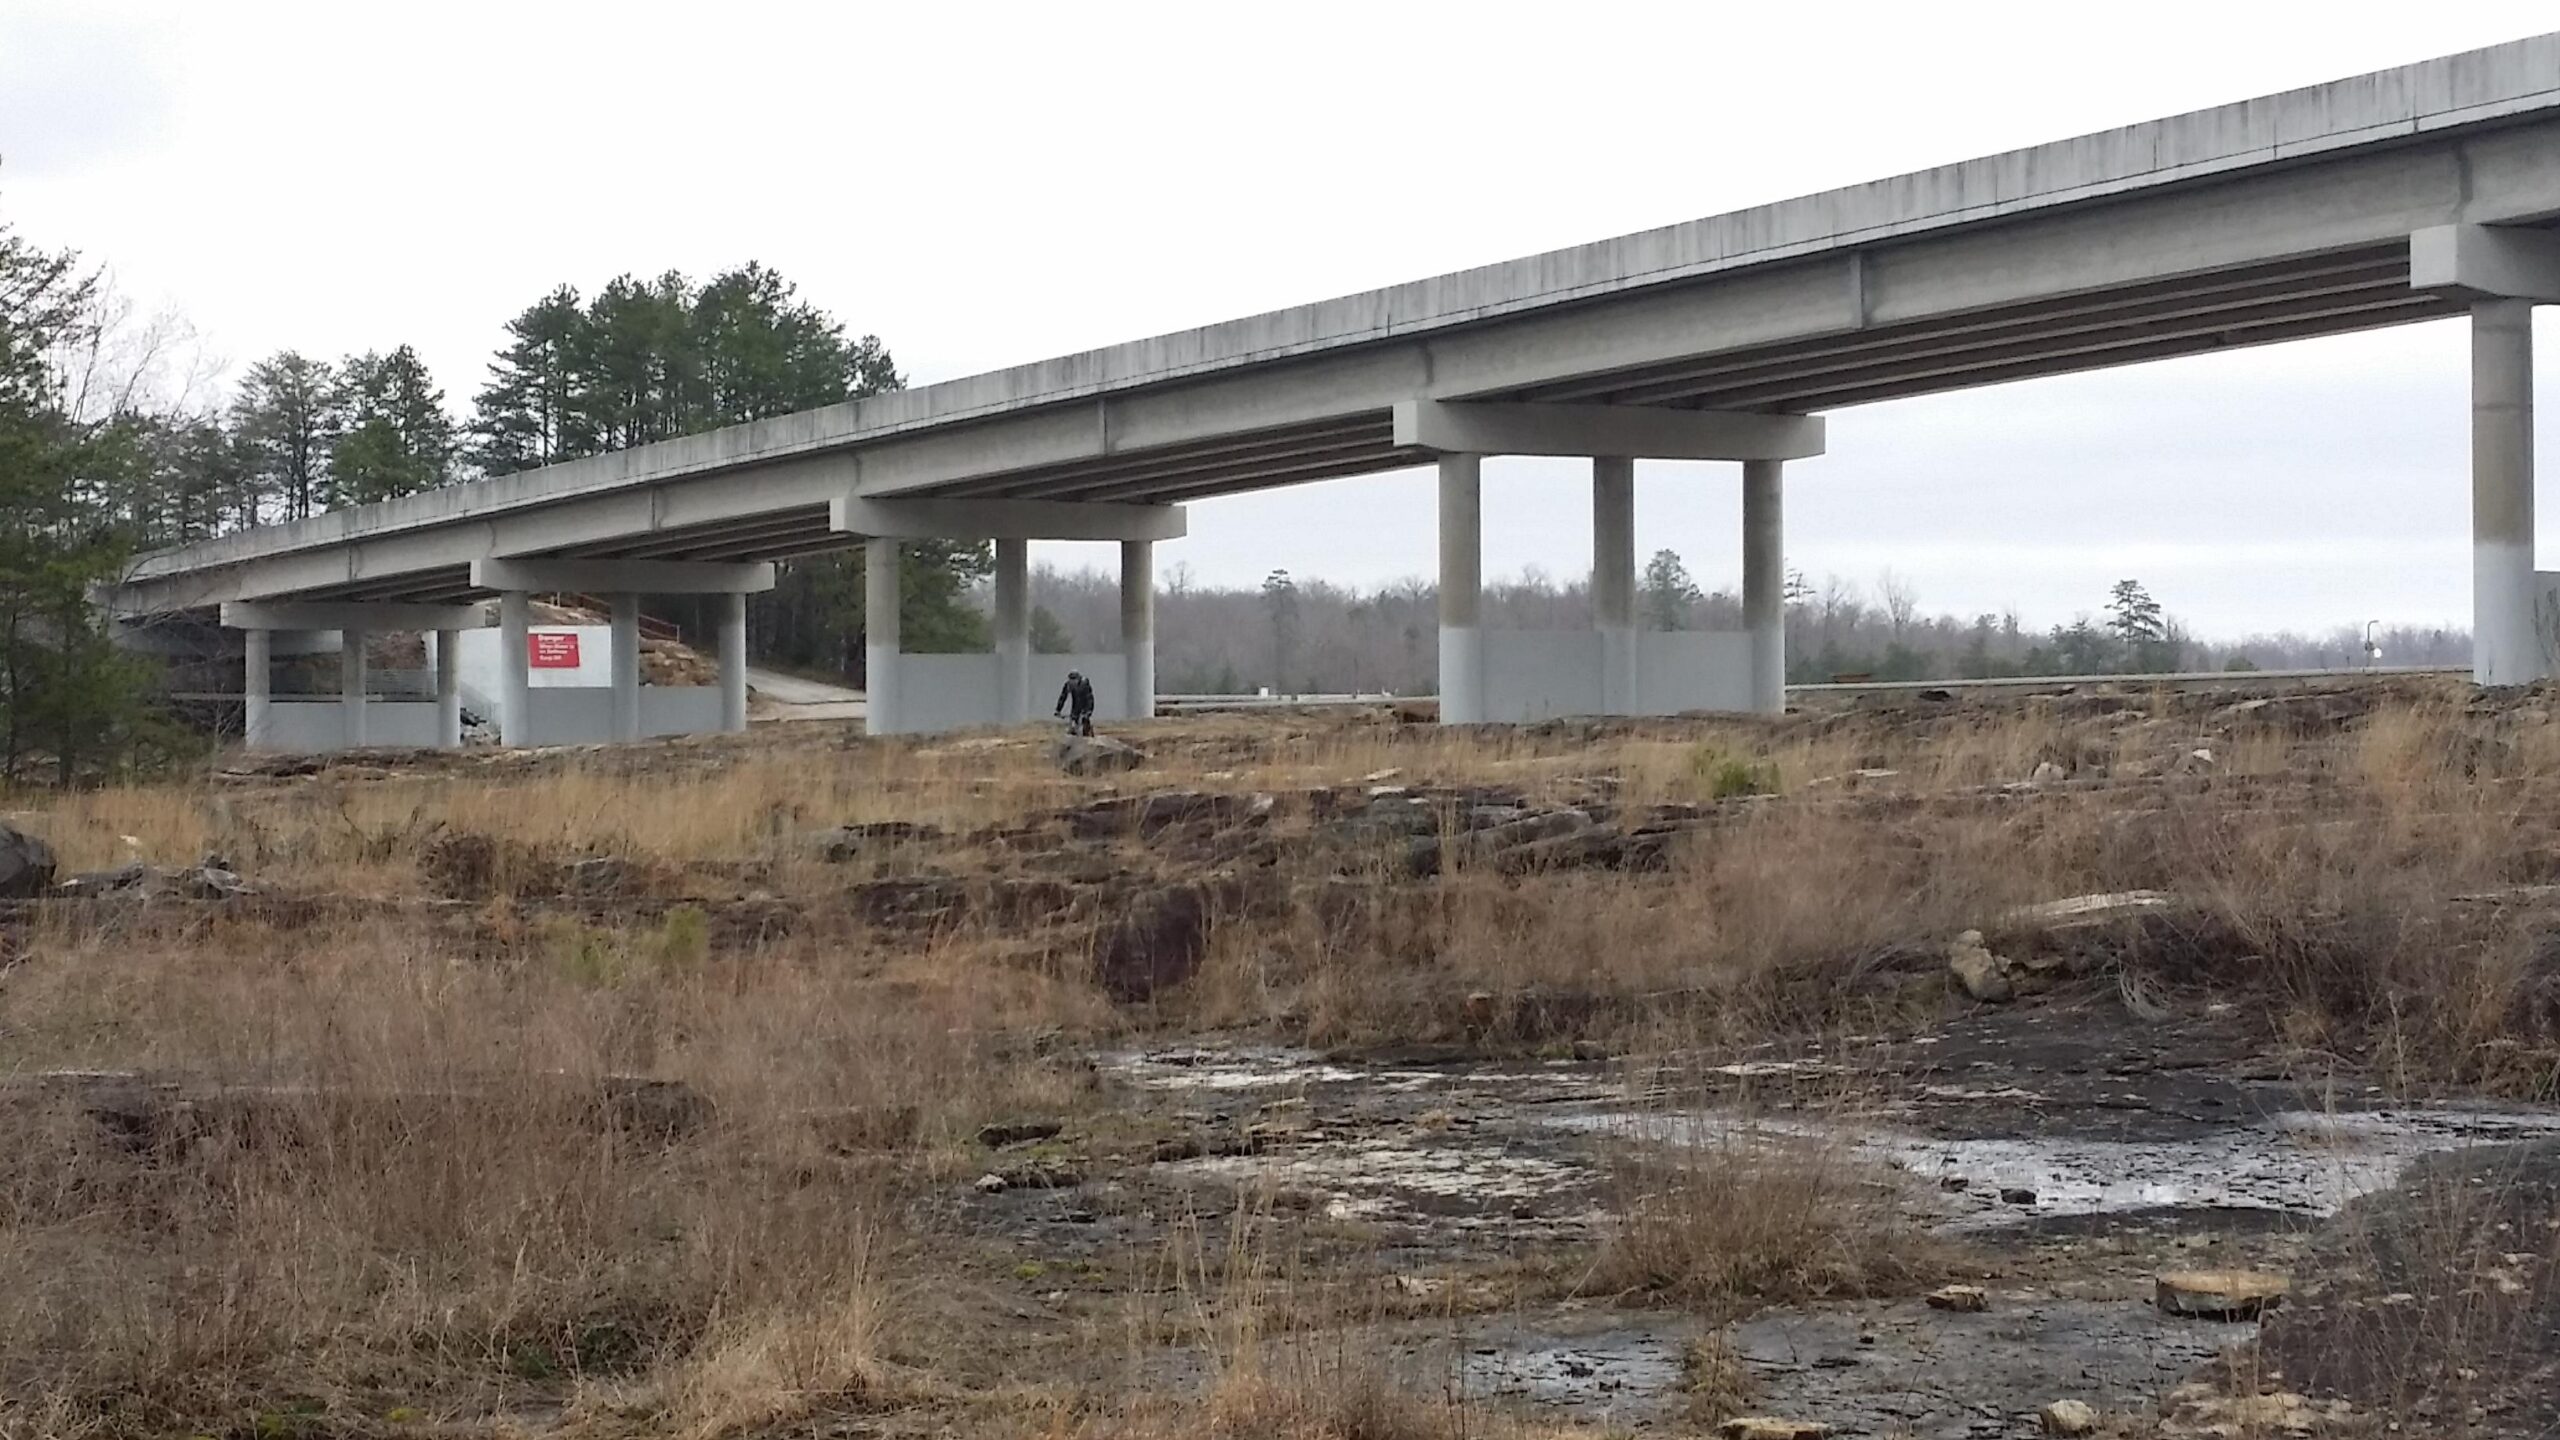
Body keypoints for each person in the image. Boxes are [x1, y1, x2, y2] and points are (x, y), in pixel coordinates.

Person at [1054, 669, 1096, 736]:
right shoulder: (1068, 684)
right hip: (1075, 707)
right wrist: (1058, 710)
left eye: (1074, 680)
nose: (1072, 683)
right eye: (1071, 680)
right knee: (1072, 728)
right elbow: (1063, 697)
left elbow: (1089, 699)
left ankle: (1088, 734)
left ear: (1078, 679)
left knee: (1085, 726)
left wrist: (1088, 711)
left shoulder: (1084, 684)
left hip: (1085, 707)